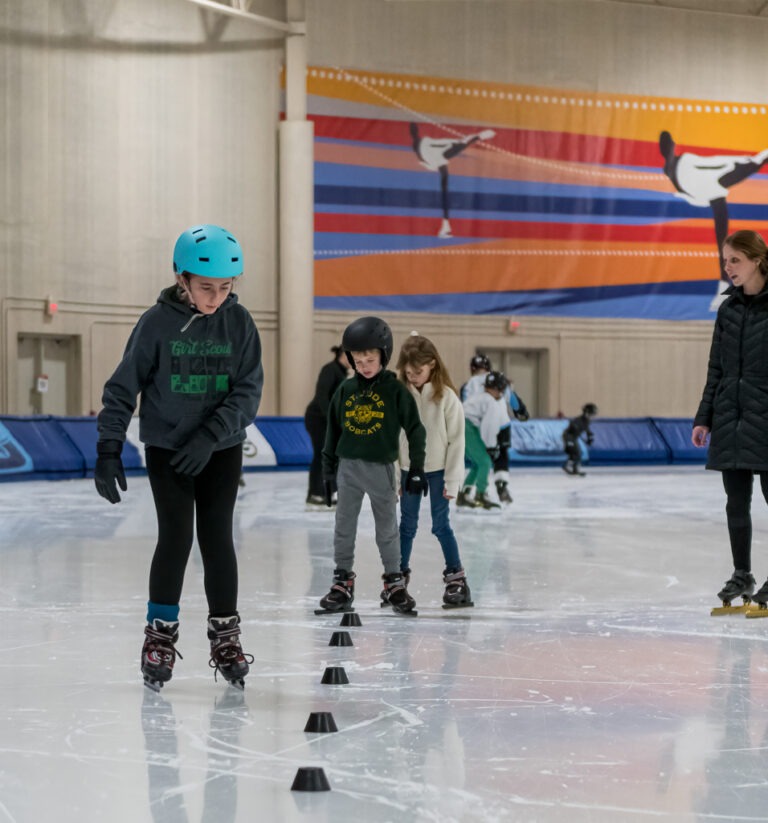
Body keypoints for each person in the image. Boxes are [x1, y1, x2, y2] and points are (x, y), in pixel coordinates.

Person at [94, 224, 263, 691]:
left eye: (226, 287)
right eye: (207, 287)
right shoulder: (156, 323)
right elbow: (122, 387)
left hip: (220, 449)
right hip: (168, 449)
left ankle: (225, 636)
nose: (216, 297)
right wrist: (109, 446)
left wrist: (211, 435)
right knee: (175, 537)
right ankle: (160, 636)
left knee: (217, 538)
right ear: (181, 278)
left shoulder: (239, 322)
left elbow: (248, 392)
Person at [318, 316, 427, 614]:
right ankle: (342, 582)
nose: (364, 365)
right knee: (344, 527)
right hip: (349, 469)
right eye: (358, 359)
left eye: (370, 358)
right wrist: (327, 472)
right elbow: (332, 431)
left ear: (384, 355)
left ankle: (394, 582)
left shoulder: (395, 391)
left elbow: (416, 429)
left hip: (381, 469)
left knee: (387, 529)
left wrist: (416, 468)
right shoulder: (346, 390)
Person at [692, 229, 768, 612]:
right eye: (725, 260)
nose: (728, 267)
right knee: (735, 502)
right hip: (731, 417)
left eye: (735, 260)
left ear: (756, 259)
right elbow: (715, 368)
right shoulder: (728, 310)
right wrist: (704, 416)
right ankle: (743, 574)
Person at [395, 332, 472, 607]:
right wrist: (395, 477)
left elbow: (457, 441)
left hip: (439, 471)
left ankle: (456, 579)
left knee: (441, 526)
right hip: (407, 468)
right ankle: (397, 580)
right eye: (408, 371)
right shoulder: (399, 395)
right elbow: (393, 439)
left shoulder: (447, 398)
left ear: (433, 365)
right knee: (406, 527)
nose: (413, 376)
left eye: (418, 371)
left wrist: (452, 480)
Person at [659, 131, 768, 310]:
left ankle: (724, 289)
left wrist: (738, 162)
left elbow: (711, 164)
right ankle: (724, 290)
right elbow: (711, 164)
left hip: (713, 187)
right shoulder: (679, 164)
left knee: (723, 244)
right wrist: (739, 162)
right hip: (712, 186)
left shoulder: (676, 165)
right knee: (724, 244)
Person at [410, 123, 496, 239]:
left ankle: (445, 226)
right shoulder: (441, 157)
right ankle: (445, 226)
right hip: (430, 151)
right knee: (460, 145)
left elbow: (415, 136)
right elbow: (465, 142)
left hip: (428, 150)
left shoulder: (432, 154)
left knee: (460, 145)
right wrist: (480, 136)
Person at [304, 345, 350, 506]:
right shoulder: (330, 369)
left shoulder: (342, 373)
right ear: (343, 355)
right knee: (322, 454)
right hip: (317, 418)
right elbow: (322, 396)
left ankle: (329, 491)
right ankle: (315, 493)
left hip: (328, 420)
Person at [458, 371, 510, 511]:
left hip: (460, 426)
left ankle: (464, 494)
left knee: (477, 463)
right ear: (498, 388)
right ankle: (481, 495)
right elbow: (489, 426)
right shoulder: (491, 401)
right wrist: (491, 446)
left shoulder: (480, 398)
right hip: (467, 428)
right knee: (485, 462)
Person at [562, 403, 598, 476]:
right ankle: (570, 467)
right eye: (591, 414)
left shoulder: (587, 421)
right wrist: (575, 427)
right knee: (576, 452)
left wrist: (589, 438)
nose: (592, 417)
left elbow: (587, 430)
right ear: (586, 413)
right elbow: (572, 425)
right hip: (569, 437)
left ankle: (571, 467)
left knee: (577, 453)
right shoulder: (578, 420)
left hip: (573, 438)